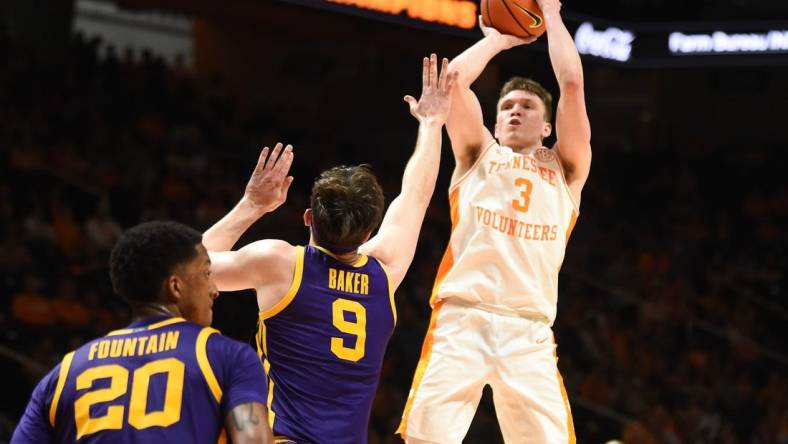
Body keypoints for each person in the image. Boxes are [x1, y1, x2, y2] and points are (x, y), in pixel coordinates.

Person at [202, 54, 457, 443]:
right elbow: (417, 195)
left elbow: (187, 266)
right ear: (371, 227)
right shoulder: (385, 271)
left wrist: (252, 206)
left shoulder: (280, 263)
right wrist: (432, 124)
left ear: (308, 217)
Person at [397, 1, 593, 443]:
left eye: (526, 106)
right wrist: (498, 39)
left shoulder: (567, 168)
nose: (514, 112)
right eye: (506, 106)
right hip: (462, 317)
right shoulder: (477, 153)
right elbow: (452, 84)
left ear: (547, 127)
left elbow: (573, 83)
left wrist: (551, 12)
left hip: (530, 330)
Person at [11, 221, 274, 444]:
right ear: (175, 287)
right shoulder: (228, 357)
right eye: (207, 273)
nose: (215, 289)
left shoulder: (65, 373)